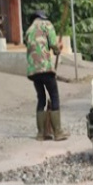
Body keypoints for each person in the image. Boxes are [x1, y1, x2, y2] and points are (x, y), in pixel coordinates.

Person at [24, 10, 68, 141]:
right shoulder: (47, 25)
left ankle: (41, 133)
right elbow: (54, 45)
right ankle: (58, 132)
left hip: (33, 70)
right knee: (54, 96)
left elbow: (32, 46)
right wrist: (58, 48)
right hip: (45, 68)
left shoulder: (28, 30)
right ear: (43, 18)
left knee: (41, 98)